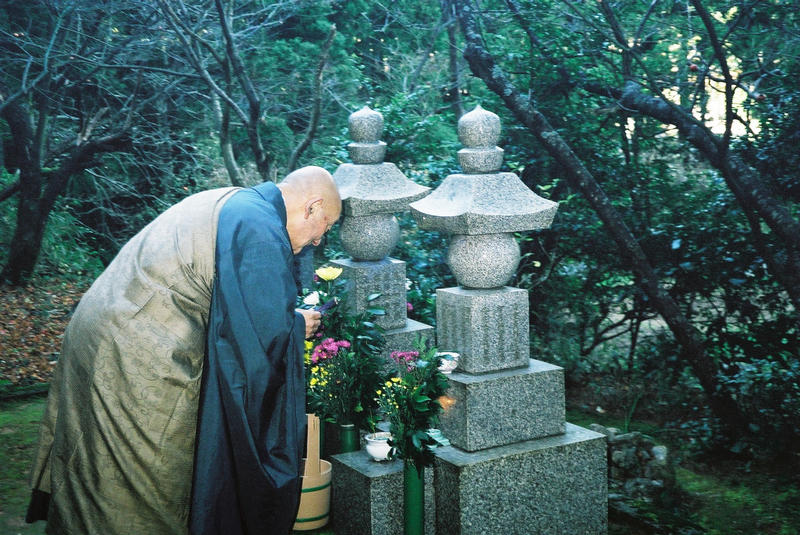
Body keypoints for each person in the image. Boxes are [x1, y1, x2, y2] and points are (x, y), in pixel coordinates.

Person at [25, 166, 341, 535]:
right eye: (326, 226)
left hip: (109, 330)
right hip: (134, 352)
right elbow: (255, 342)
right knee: (141, 482)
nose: (319, 241)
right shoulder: (260, 229)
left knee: (96, 464)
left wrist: (284, 324)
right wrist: (294, 327)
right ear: (312, 206)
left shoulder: (240, 203)